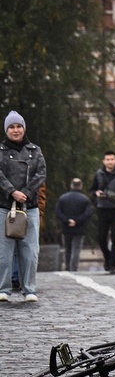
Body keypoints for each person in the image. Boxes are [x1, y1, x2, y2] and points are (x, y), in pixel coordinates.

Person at [0, 111, 46, 303]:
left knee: (30, 250)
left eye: (18, 126)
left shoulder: (34, 151)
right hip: (4, 207)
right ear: (6, 130)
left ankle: (29, 289)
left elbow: (41, 174)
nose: (16, 130)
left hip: (30, 208)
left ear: (24, 128)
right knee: (4, 250)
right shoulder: (1, 151)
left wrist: (25, 192)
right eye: (11, 127)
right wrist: (12, 191)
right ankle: (4, 289)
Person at [55, 178, 93, 272]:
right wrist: (77, 221)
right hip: (79, 228)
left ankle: (67, 267)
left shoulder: (63, 198)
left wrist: (67, 220)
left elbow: (58, 212)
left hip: (66, 227)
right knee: (76, 249)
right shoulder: (85, 199)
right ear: (81, 186)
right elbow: (88, 213)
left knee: (67, 248)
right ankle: (74, 268)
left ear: (71, 185)